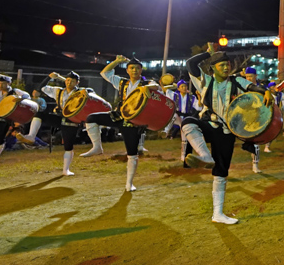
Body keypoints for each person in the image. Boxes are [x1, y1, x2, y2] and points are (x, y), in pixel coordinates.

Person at [182, 44, 273, 224]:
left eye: (227, 64)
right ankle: (205, 157)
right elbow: (190, 64)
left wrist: (266, 91)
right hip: (209, 124)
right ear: (213, 68)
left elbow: (254, 88)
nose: (226, 67)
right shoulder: (205, 81)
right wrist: (208, 53)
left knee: (221, 171)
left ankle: (218, 214)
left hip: (227, 130)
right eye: (221, 65)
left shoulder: (237, 82)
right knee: (188, 123)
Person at [80, 56, 160, 191]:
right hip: (119, 116)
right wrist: (117, 62)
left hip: (134, 121)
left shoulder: (145, 82)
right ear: (127, 70)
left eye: (137, 68)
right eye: (131, 68)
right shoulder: (122, 83)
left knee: (132, 154)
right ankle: (97, 147)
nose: (134, 70)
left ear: (141, 70)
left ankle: (129, 183)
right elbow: (104, 73)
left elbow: (156, 86)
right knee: (91, 118)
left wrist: (147, 87)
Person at [39, 71, 93, 176]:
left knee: (68, 146)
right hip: (59, 118)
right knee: (39, 115)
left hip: (72, 121)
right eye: (68, 80)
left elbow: (90, 93)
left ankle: (66, 170)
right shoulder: (58, 91)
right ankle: (31, 136)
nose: (69, 83)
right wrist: (48, 77)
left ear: (77, 82)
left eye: (72, 81)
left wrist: (86, 92)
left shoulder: (82, 92)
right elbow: (41, 88)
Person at [167, 79, 200, 163]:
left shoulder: (191, 97)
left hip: (185, 118)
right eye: (182, 86)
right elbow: (166, 90)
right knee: (173, 115)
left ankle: (183, 156)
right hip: (177, 116)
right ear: (178, 88)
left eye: (185, 86)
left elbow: (198, 107)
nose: (184, 88)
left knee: (184, 139)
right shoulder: (174, 95)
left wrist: (199, 98)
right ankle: (166, 130)